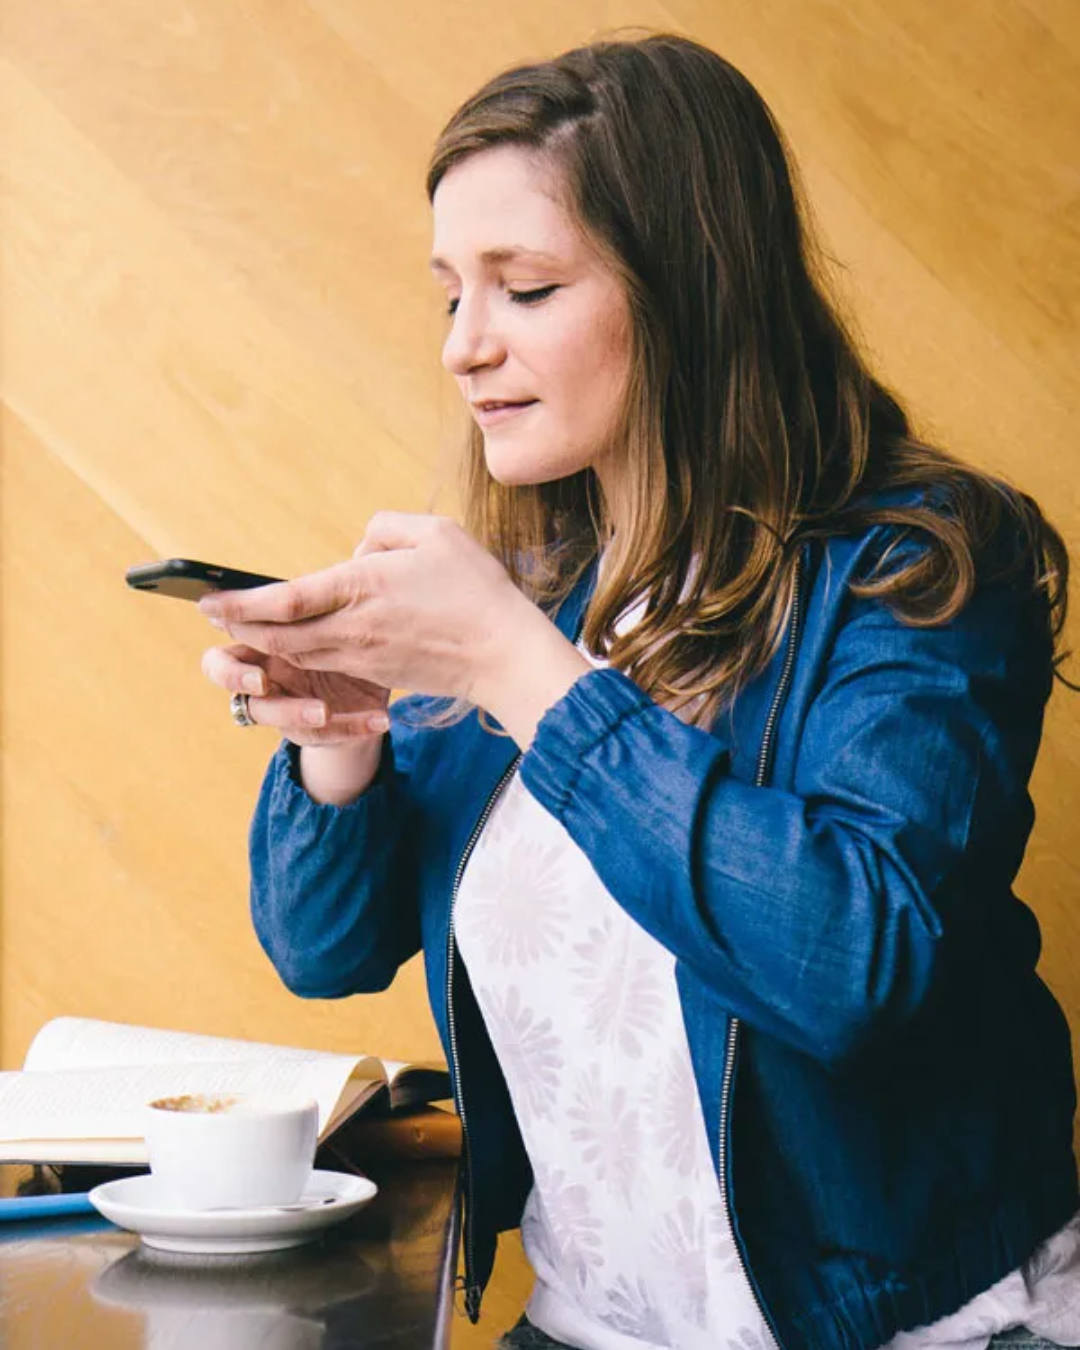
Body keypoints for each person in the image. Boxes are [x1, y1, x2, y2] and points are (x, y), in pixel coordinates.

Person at [198, 33, 1080, 1350]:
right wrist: (341, 743)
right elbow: (321, 948)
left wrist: (513, 669)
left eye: (527, 286)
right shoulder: (535, 591)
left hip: (915, 1325)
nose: (464, 345)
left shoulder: (923, 561)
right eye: (452, 294)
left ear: (692, 291)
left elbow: (855, 965)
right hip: (587, 1325)